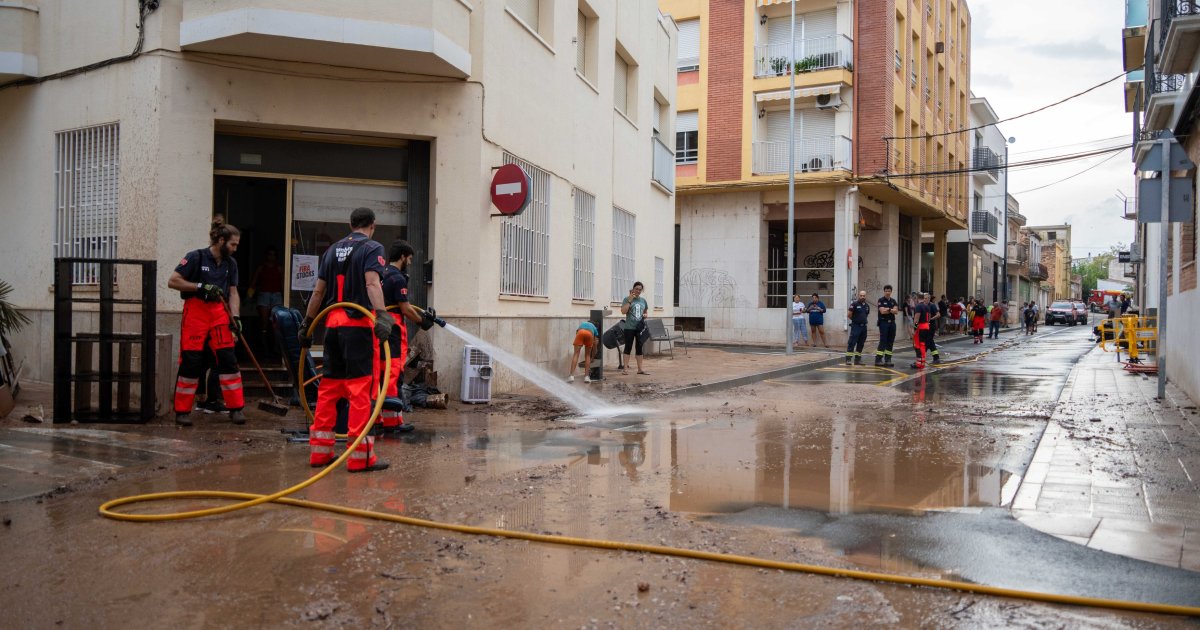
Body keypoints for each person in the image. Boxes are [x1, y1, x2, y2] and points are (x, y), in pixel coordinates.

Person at [299, 207, 402, 473]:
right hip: (358, 326)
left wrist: (307, 323)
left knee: (329, 389)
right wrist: (381, 315)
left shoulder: (332, 250)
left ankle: (320, 454)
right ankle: (360, 458)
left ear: (350, 224)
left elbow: (319, 291)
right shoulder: (373, 248)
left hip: (332, 326)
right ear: (373, 225)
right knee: (360, 392)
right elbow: (371, 284)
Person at [167, 217, 246, 427]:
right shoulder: (195, 257)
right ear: (220, 240)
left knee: (228, 359)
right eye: (233, 244)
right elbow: (173, 281)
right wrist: (201, 286)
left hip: (220, 313)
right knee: (191, 361)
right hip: (196, 312)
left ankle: (236, 408)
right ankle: (182, 411)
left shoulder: (231, 263)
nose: (235, 248)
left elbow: (233, 292)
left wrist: (235, 318)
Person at [376, 240, 425, 434]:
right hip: (393, 330)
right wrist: (422, 322)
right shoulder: (397, 278)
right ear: (403, 256)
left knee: (380, 373)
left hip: (381, 328)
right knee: (392, 373)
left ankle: (378, 418)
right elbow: (404, 308)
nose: (410, 263)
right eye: (410, 259)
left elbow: (402, 303)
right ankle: (392, 422)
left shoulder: (381, 274)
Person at [247, 246, 284, 356]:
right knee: (264, 322)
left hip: (276, 295)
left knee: (276, 323)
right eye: (269, 254)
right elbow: (253, 284)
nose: (271, 257)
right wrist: (248, 298)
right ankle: (264, 347)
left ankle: (276, 347)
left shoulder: (279, 268)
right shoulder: (261, 268)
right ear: (266, 255)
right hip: (264, 295)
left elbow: (283, 284)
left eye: (273, 255)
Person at [620, 281, 650, 375]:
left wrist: (645, 315)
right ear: (633, 289)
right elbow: (623, 311)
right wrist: (630, 300)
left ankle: (640, 369)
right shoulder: (627, 299)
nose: (638, 291)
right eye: (636, 289)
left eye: (640, 289)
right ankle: (625, 369)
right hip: (629, 327)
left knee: (639, 348)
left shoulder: (643, 301)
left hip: (639, 328)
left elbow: (645, 311)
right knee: (628, 347)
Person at [910, 293, 940, 369]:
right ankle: (922, 362)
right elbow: (929, 317)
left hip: (921, 327)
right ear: (923, 298)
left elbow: (916, 319)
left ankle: (919, 363)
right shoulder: (927, 306)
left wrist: (914, 328)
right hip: (927, 326)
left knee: (917, 345)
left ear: (916, 298)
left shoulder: (918, 306)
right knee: (923, 344)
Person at [875, 285, 899, 367]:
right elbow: (882, 311)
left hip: (892, 323)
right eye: (886, 291)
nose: (887, 292)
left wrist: (888, 309)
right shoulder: (881, 300)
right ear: (884, 291)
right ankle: (878, 359)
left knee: (890, 341)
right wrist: (890, 310)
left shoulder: (893, 301)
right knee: (883, 341)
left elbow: (896, 311)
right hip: (883, 323)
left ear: (891, 292)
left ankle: (888, 359)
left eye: (889, 291)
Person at [845, 290, 871, 365]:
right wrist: (855, 320)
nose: (862, 297)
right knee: (852, 342)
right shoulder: (854, 304)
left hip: (864, 328)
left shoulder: (867, 306)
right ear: (859, 296)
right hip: (856, 326)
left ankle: (857, 360)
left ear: (865, 296)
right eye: (861, 295)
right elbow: (849, 315)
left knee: (861, 343)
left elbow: (866, 315)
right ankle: (848, 359)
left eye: (864, 295)